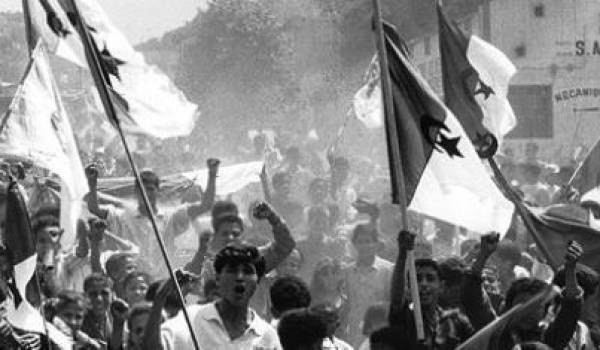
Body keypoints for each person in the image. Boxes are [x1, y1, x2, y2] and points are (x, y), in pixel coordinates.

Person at [84, 158, 219, 278]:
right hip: (131, 284)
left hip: (162, 282)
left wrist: (212, 176)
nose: (146, 193)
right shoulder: (121, 216)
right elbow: (94, 208)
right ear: (136, 192)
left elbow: (205, 206)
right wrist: (92, 184)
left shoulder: (170, 217)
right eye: (142, 189)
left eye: (150, 189)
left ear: (157, 191)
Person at [144, 244, 281, 349]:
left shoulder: (267, 335)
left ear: (257, 282)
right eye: (232, 271)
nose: (239, 277)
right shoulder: (190, 319)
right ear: (218, 279)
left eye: (247, 272)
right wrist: (160, 298)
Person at [461, 232, 584, 349]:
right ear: (508, 306)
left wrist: (570, 269)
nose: (529, 312)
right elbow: (473, 298)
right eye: (523, 304)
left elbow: (570, 313)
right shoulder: (494, 331)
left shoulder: (547, 339)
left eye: (535, 307)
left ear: (545, 313)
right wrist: (483, 255)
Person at [192, 201, 295, 300]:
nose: (230, 238)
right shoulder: (208, 268)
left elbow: (285, 245)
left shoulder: (253, 260)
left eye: (235, 234)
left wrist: (274, 218)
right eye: (225, 233)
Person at [388, 230, 474, 349]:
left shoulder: (455, 321)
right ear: (409, 287)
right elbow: (397, 299)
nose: (423, 284)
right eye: (417, 279)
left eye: (430, 278)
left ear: (441, 286)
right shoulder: (406, 316)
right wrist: (402, 254)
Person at [343, 223, 394, 347]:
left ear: (376, 244)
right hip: (354, 331)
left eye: (368, 241)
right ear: (354, 244)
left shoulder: (388, 270)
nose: (364, 246)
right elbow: (347, 303)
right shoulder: (348, 271)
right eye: (360, 242)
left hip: (380, 329)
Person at [297, 206, 346, 283]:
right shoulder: (299, 246)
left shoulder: (334, 245)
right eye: (317, 222)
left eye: (323, 222)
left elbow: (339, 270)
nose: (320, 226)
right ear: (309, 223)